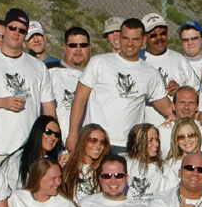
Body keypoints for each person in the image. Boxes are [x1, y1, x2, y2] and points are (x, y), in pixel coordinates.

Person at [0, 10, 56, 164]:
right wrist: (0, 102)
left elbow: (49, 110)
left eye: (21, 31)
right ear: (5, 29)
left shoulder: (39, 67)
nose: (16, 33)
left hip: (28, 150)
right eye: (12, 28)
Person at [70, 18, 173, 154]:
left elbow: (168, 108)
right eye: (125, 38)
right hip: (96, 142)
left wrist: (188, 114)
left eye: (135, 39)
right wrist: (72, 135)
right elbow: (79, 99)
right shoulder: (99, 62)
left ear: (143, 41)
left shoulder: (151, 73)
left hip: (129, 146)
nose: (129, 44)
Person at [5, 114, 65, 189]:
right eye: (48, 132)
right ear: (38, 132)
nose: (53, 137)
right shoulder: (19, 159)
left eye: (57, 135)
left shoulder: (54, 160)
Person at [52, 26, 92, 138]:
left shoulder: (99, 76)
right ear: (65, 48)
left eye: (83, 45)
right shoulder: (50, 74)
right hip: (59, 143)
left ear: (90, 48)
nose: (78, 49)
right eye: (73, 45)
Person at [61, 123, 111, 199]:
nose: (98, 146)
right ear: (83, 141)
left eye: (102, 142)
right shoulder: (67, 165)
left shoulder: (105, 169)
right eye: (93, 140)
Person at [124, 122, 168, 202]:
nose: (156, 144)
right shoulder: (125, 164)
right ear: (137, 142)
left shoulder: (164, 169)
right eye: (150, 140)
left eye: (157, 140)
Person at [161, 118, 202, 187]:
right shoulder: (169, 165)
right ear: (176, 141)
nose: (187, 140)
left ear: (197, 137)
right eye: (181, 137)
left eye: (191, 135)